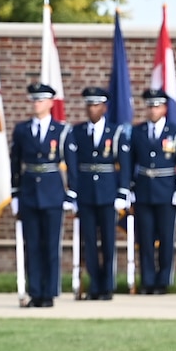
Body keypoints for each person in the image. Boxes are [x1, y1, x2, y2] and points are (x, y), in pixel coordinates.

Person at [65, 84, 130, 300]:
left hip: (108, 192)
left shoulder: (115, 132)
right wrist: (73, 192)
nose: (92, 109)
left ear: (104, 107)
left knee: (108, 241)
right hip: (85, 193)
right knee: (89, 241)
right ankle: (94, 284)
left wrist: (122, 192)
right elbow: (72, 165)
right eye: (89, 105)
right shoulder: (77, 131)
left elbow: (124, 164)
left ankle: (107, 285)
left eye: (96, 105)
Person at [10, 81, 69, 308]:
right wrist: (15, 193)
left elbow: (70, 164)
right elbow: (15, 161)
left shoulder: (61, 130)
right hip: (29, 193)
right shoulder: (22, 130)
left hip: (52, 192)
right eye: (34, 99)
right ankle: (35, 291)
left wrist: (70, 194)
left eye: (41, 99)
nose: (37, 103)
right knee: (32, 245)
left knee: (51, 245)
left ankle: (50, 292)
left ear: (50, 103)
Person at [128, 87, 176, 294]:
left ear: (164, 108)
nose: (153, 110)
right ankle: (147, 280)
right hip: (144, 190)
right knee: (145, 238)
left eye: (157, 106)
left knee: (166, 238)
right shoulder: (137, 132)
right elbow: (130, 163)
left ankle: (163, 280)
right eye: (150, 106)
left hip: (166, 190)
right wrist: (129, 188)